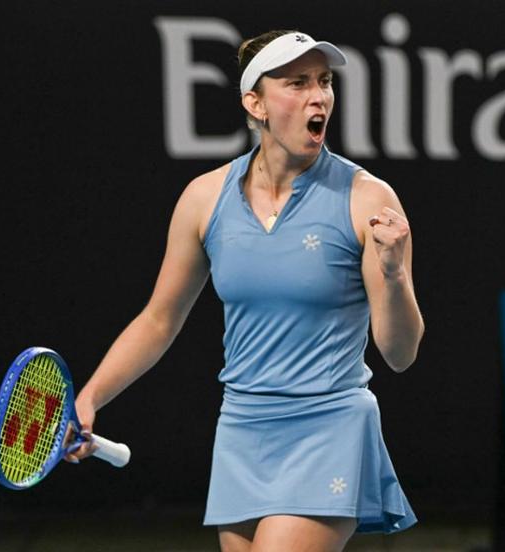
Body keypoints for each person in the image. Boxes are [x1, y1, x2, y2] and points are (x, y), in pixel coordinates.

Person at [65, 29, 424, 551]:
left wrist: (393, 274)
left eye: (324, 81)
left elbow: (400, 353)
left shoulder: (366, 198)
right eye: (297, 83)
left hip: (330, 425)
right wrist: (90, 397)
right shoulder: (204, 199)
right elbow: (159, 320)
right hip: (242, 429)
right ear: (255, 104)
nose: (319, 96)